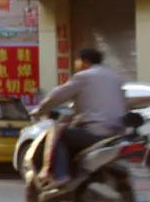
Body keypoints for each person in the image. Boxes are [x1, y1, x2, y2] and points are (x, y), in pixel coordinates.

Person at [30, 48, 127, 188]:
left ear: (84, 61)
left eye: (77, 60)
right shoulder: (115, 78)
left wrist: (40, 110)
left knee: (58, 132)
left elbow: (58, 95)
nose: (75, 63)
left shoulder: (83, 77)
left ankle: (60, 175)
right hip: (117, 134)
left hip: (95, 132)